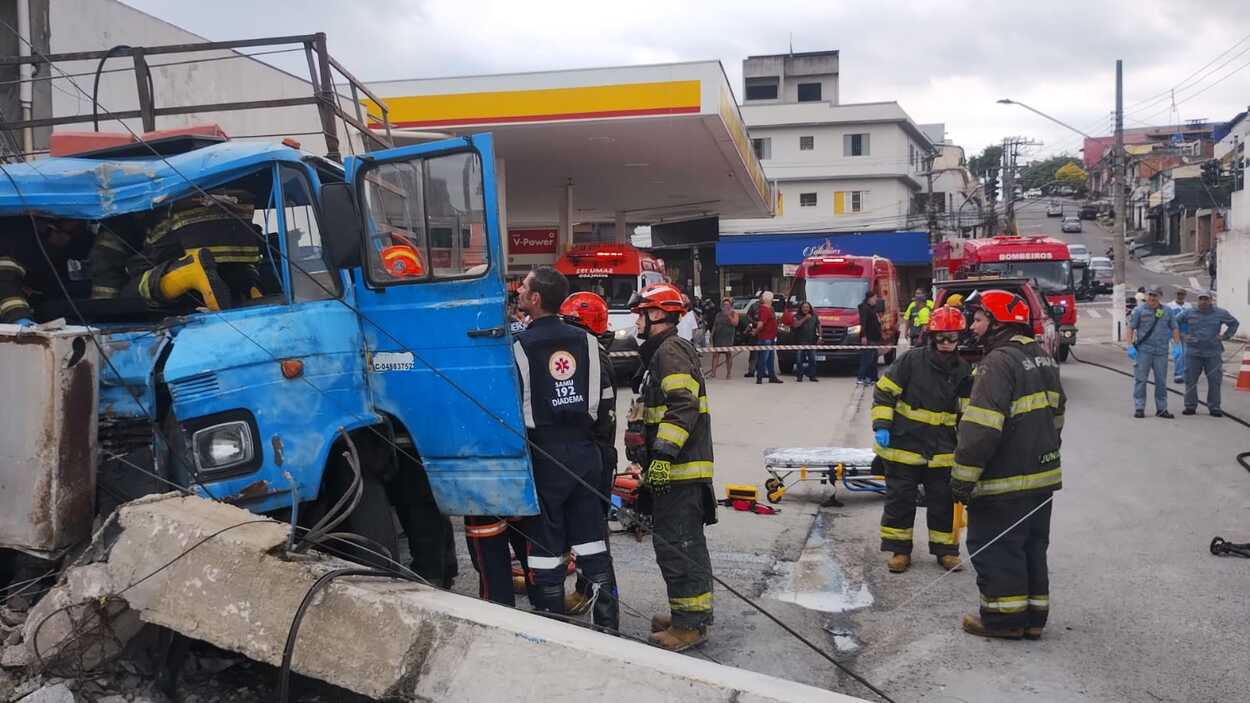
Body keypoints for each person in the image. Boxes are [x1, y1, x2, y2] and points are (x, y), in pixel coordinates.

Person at [951, 290, 1065, 640]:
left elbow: (982, 428)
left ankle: (1004, 621)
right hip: (1042, 476)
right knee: (1031, 546)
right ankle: (1033, 620)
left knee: (996, 546)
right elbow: (1058, 415)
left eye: (979, 318)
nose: (973, 325)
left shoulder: (997, 362)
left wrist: (962, 478)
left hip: (1005, 479)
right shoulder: (1041, 356)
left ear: (997, 321)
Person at [510, 266, 618, 629]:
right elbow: (605, 403)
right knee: (593, 545)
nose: (519, 292)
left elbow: (511, 406)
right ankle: (608, 625)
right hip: (586, 453)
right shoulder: (588, 341)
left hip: (545, 456)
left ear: (535, 299)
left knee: (546, 548)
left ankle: (551, 625)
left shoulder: (519, 346)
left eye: (524, 288)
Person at [629, 282, 717, 651]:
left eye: (640, 315)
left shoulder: (670, 352)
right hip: (674, 473)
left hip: (679, 472)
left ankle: (691, 625)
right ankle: (686, 614)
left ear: (657, 315)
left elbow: (683, 407)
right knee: (678, 545)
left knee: (679, 547)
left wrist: (662, 458)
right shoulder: (661, 354)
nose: (635, 323)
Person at [872, 305, 972, 573]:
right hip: (904, 445)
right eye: (942, 337)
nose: (948, 343)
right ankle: (899, 551)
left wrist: (969, 444)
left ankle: (946, 552)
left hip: (942, 450)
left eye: (953, 338)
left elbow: (967, 411)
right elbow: (884, 393)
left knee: (943, 502)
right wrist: (882, 425)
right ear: (931, 336)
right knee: (900, 501)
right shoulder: (911, 361)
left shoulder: (964, 371)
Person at [559, 291, 621, 623]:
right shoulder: (591, 351)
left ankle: (602, 597)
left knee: (594, 533)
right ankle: (586, 591)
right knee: (586, 530)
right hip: (596, 452)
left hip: (596, 455)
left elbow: (598, 416)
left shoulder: (595, 357)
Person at [1177, 290, 1240, 417]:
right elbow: (1174, 323)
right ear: (1198, 300)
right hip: (1193, 353)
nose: (1203, 301)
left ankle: (1214, 407)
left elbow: (1234, 323)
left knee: (1215, 381)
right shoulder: (1189, 312)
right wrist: (1183, 336)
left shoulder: (1220, 313)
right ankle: (1190, 406)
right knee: (1190, 380)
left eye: (1206, 299)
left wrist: (1225, 336)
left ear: (1211, 300)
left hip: (1213, 353)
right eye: (1201, 299)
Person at [1126, 285, 1181, 419]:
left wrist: (1176, 345)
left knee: (1161, 381)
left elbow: (1174, 328)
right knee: (1141, 380)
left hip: (1161, 352)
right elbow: (1131, 328)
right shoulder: (1139, 310)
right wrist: (1129, 345)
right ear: (1146, 296)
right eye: (1150, 295)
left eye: (1155, 295)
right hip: (1144, 351)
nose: (1151, 298)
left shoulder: (1167, 311)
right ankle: (1139, 407)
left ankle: (1162, 409)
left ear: (1160, 297)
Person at [753, 291, 783, 384]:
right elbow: (761, 324)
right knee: (764, 358)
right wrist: (756, 331)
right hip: (765, 337)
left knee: (770, 358)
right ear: (768, 299)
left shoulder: (770, 309)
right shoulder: (764, 309)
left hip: (771, 337)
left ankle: (772, 376)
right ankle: (760, 377)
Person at [857, 290, 884, 385]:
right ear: (869, 298)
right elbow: (863, 323)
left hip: (875, 337)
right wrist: (863, 335)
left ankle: (873, 377)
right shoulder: (865, 309)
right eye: (874, 298)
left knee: (874, 359)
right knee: (867, 358)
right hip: (869, 338)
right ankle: (861, 377)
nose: (876, 300)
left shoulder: (873, 308)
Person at [709, 297, 739, 379]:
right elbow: (715, 325)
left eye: (727, 305)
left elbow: (735, 323)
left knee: (728, 355)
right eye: (724, 304)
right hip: (718, 336)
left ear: (730, 305)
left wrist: (729, 315)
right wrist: (711, 335)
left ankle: (728, 373)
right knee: (715, 355)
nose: (725, 306)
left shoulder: (734, 313)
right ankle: (713, 373)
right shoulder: (718, 314)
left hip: (728, 337)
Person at [1166, 288, 1191, 384]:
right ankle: (1178, 374)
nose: (1180, 296)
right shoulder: (1169, 306)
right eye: (1178, 294)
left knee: (1186, 355)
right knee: (1178, 353)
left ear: (1185, 295)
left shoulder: (1188, 306)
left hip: (1186, 334)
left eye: (1182, 294)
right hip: (1173, 334)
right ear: (1175, 295)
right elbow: (1163, 317)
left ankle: (1185, 373)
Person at [792, 301, 819, 382]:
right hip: (800, 342)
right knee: (799, 361)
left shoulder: (814, 316)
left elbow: (818, 325)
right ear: (801, 308)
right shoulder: (797, 316)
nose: (805, 309)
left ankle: (812, 376)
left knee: (813, 360)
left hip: (812, 342)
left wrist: (820, 336)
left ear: (810, 308)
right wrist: (805, 318)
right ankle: (799, 376)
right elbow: (795, 325)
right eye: (804, 307)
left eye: (807, 307)